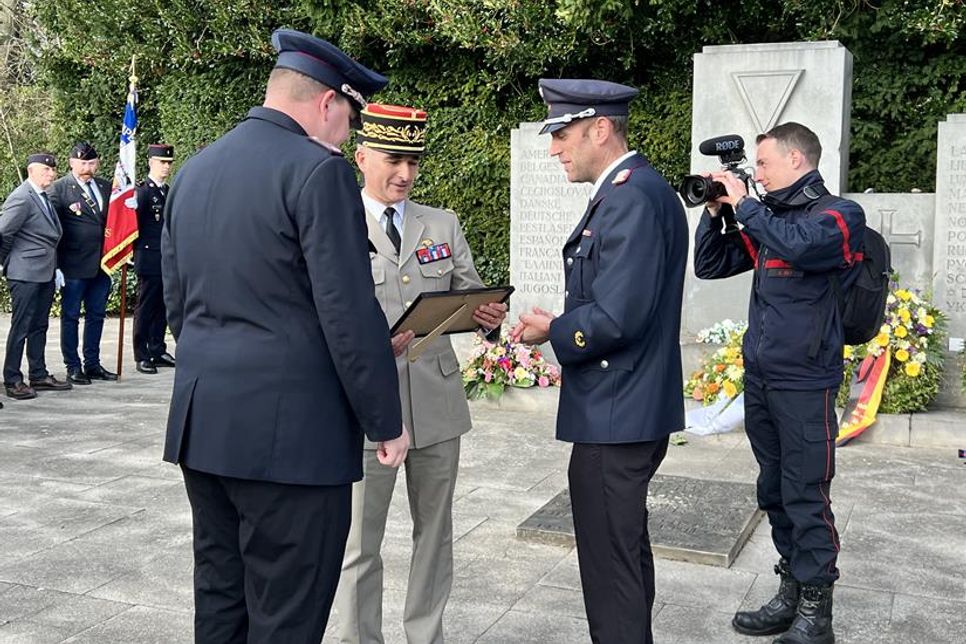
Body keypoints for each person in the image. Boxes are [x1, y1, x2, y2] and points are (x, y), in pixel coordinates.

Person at [160, 29, 410, 643]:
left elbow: (174, 302)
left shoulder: (195, 170)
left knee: (221, 602)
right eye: (349, 118)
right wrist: (386, 420)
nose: (346, 135)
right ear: (327, 103)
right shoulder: (317, 172)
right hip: (291, 442)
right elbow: (347, 313)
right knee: (287, 617)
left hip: (205, 426)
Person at [510, 79, 688, 644]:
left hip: (619, 409)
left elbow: (619, 317)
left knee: (611, 567)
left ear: (600, 129)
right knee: (622, 552)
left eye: (562, 135)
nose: (555, 148)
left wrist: (554, 331)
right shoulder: (630, 191)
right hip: (623, 405)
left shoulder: (633, 196)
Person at [333, 103, 507, 644]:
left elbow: (468, 288)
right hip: (365, 407)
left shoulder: (441, 223)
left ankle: (424, 636)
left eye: (412, 160)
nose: (404, 173)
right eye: (392, 159)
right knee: (359, 541)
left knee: (435, 533)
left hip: (435, 403)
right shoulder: (336, 223)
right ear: (361, 157)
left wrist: (488, 316)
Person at [693, 122, 865, 644]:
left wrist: (747, 206)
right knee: (774, 489)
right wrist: (716, 212)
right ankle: (791, 589)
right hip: (764, 379)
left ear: (796, 159)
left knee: (806, 491)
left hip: (806, 381)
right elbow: (709, 264)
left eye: (764, 164)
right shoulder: (770, 221)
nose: (758, 174)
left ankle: (818, 612)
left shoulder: (837, 215)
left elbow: (806, 248)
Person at [0, 152, 72, 401]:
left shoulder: (43, 197)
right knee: (21, 327)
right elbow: (3, 233)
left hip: (44, 271)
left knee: (39, 325)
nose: (52, 174)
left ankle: (38, 373)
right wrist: (7, 263)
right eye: (46, 170)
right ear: (31, 170)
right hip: (25, 273)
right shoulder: (22, 197)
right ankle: (12, 379)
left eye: (53, 170)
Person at [47, 141, 116, 385]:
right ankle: (73, 366)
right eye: (82, 163)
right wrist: (55, 265)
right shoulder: (59, 189)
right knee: (71, 316)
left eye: (91, 162)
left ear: (97, 163)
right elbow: (52, 229)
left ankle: (93, 364)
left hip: (102, 263)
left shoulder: (107, 187)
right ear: (71, 163)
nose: (87, 167)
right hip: (73, 264)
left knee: (97, 315)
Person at [132, 143, 176, 374]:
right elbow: (133, 228)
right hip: (148, 257)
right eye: (162, 163)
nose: (166, 167)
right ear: (150, 163)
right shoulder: (143, 191)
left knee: (163, 305)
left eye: (169, 163)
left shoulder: (167, 190)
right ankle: (141, 353)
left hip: (165, 258)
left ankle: (157, 348)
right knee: (146, 306)